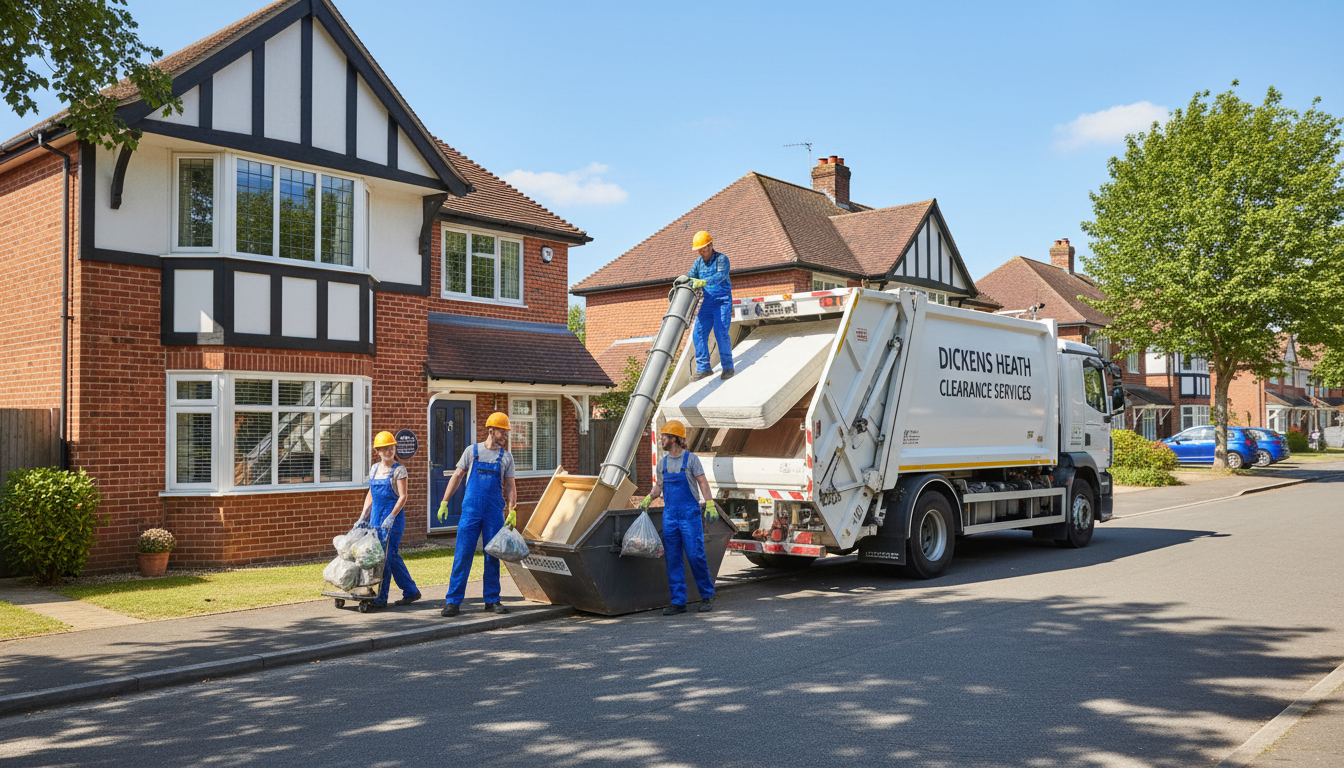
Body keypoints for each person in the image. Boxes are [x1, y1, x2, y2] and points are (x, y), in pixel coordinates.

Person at [436, 412, 517, 617]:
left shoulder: (506, 457)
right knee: (463, 554)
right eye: (502, 431)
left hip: (493, 512)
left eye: (506, 432)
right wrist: (444, 502)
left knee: (493, 555)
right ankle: (453, 601)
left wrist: (512, 509)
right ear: (491, 431)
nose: (505, 435)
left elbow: (510, 486)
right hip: (471, 510)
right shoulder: (472, 452)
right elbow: (457, 476)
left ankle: (492, 600)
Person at [639, 420, 718, 614]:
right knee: (673, 558)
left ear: (674, 438)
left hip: (689, 514)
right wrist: (648, 499)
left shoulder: (691, 459)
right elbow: (659, 487)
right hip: (670, 515)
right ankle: (678, 602)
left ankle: (707, 595)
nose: (661, 440)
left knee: (695, 555)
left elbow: (703, 483)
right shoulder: (662, 464)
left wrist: (709, 503)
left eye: (664, 437)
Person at [359, 431, 420, 608]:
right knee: (386, 556)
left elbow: (403, 497)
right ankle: (411, 590)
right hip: (376, 518)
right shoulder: (374, 469)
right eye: (384, 449)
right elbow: (371, 493)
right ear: (378, 451)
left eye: (391, 448)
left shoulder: (399, 470)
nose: (388, 451)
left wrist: (391, 517)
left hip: (393, 519)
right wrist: (363, 516)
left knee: (385, 558)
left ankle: (380, 598)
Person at [687, 231, 734, 382]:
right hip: (706, 303)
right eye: (699, 250)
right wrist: (686, 281)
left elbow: (721, 275)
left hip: (722, 302)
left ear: (711, 245)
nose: (701, 252)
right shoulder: (698, 263)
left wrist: (703, 281)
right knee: (698, 333)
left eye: (703, 249)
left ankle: (728, 366)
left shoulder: (722, 259)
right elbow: (690, 277)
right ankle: (703, 368)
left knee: (721, 332)